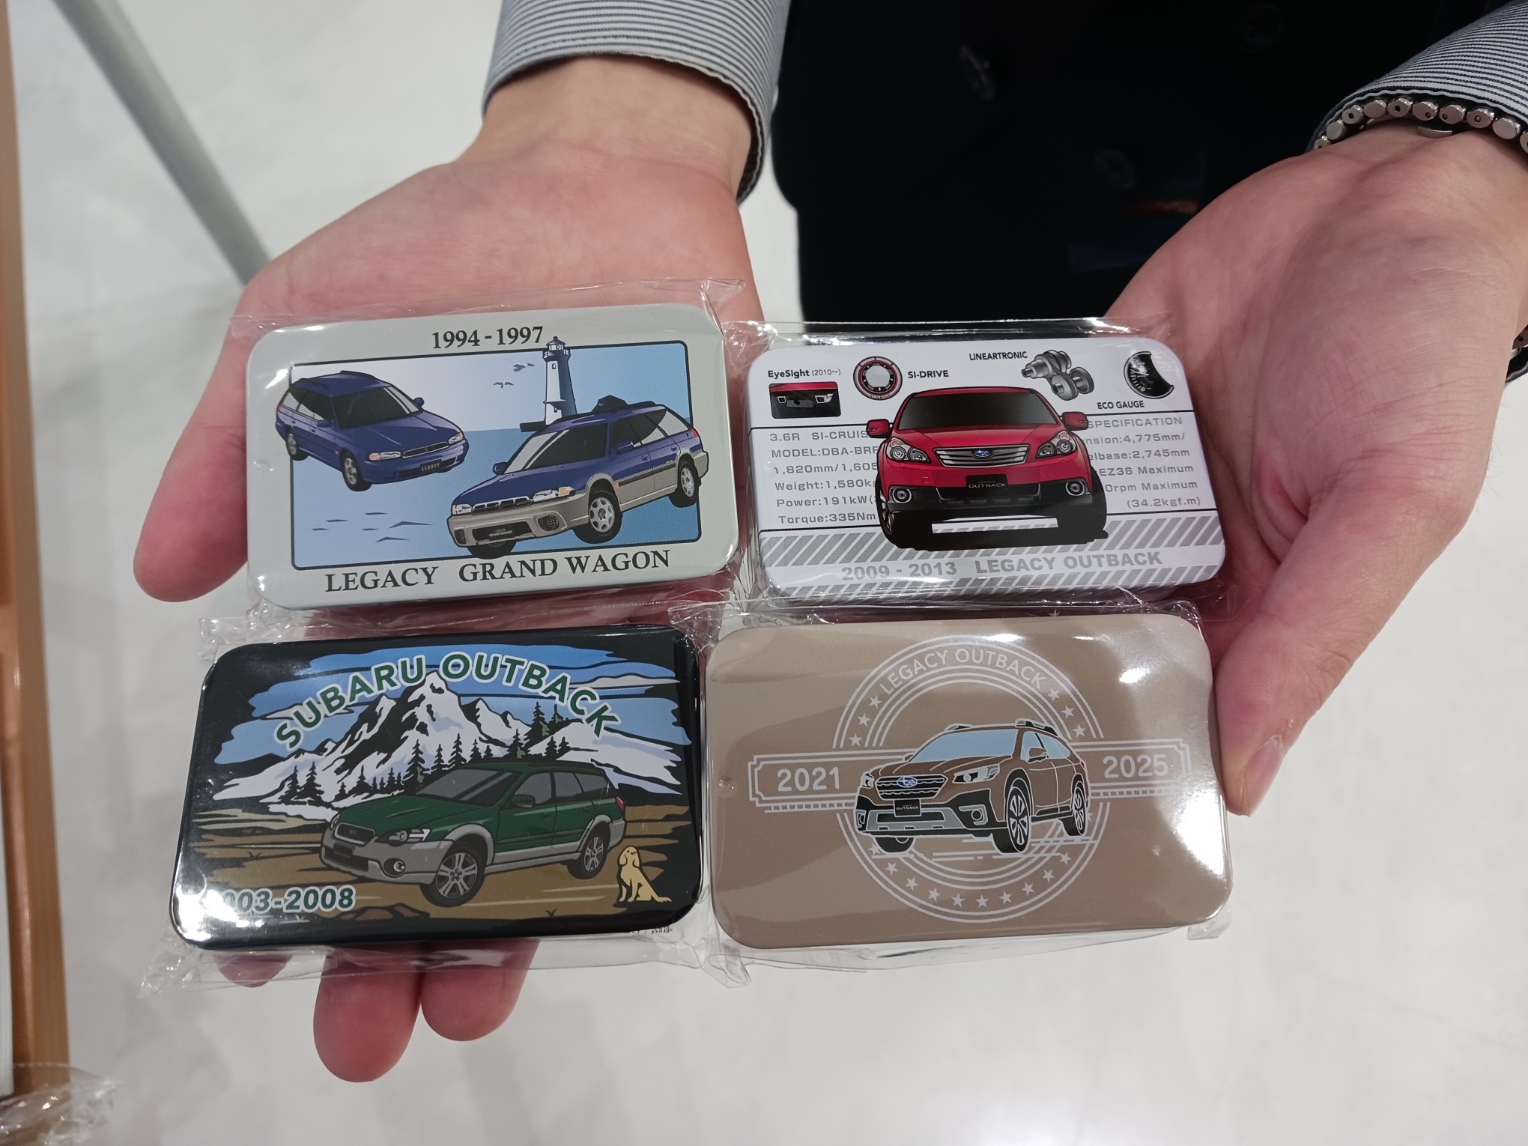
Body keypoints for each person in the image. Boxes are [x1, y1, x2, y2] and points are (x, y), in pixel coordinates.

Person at [131, 1, 1528, 1081]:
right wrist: (617, 87)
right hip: (907, 137)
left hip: (1298, 183)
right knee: (845, 407)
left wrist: (1479, 163)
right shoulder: (888, 435)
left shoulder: (995, 486)